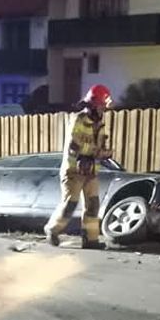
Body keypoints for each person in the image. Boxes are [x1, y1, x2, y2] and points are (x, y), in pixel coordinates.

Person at [45, 84, 114, 249]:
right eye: (101, 106)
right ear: (93, 104)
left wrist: (105, 153)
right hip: (73, 171)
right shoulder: (78, 120)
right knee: (70, 204)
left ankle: (90, 240)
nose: (103, 110)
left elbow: (101, 148)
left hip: (91, 172)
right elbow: (73, 145)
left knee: (93, 205)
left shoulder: (101, 125)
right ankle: (52, 230)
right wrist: (93, 153)